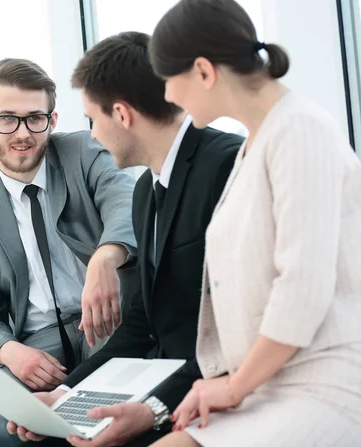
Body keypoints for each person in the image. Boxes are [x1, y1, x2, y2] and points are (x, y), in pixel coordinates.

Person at [7, 32, 242, 447]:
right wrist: (65, 395)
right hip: (169, 387)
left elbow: (237, 335)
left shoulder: (228, 167)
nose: (93, 136)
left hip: (221, 397)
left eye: (93, 120)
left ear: (122, 113)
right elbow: (140, 322)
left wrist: (153, 408)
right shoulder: (145, 192)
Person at [144, 1, 361, 446]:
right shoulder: (256, 143)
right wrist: (222, 383)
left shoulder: (300, 130)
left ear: (203, 71)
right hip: (266, 385)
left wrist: (232, 386)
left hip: (322, 386)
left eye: (169, 79)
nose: (167, 96)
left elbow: (302, 289)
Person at [0, 58, 137, 447]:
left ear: (52, 119)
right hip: (36, 342)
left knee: (98, 417)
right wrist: (10, 352)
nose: (22, 133)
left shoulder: (83, 151)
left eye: (35, 118)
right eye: (7, 119)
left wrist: (105, 256)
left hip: (107, 319)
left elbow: (126, 203)